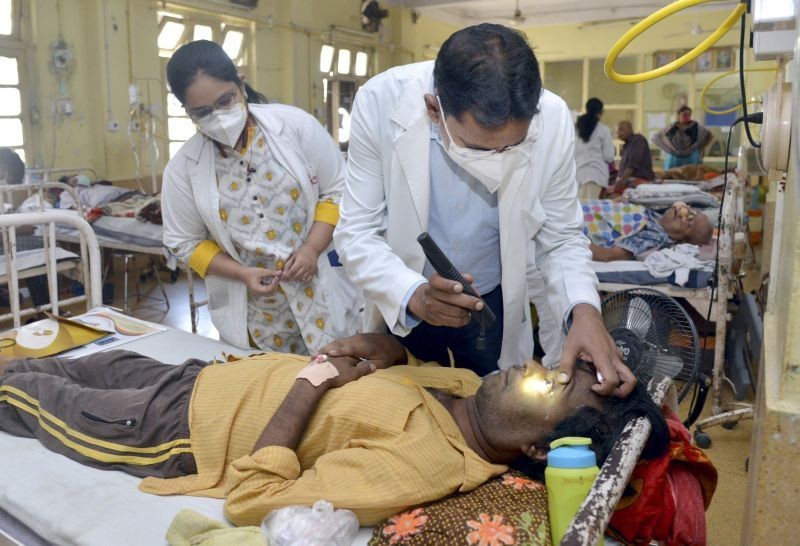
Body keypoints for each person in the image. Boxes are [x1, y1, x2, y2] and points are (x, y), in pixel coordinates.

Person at [0, 334, 668, 526]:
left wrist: (312, 381)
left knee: (24, 392)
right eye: (548, 365)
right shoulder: (469, 392)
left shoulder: (422, 467)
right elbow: (403, 373)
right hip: (206, 375)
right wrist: (390, 351)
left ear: (532, 448)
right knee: (71, 360)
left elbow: (254, 497)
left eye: (544, 384)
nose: (526, 367)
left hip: (179, 431)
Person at [334, 24, 632, 395]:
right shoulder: (380, 101)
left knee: (490, 415)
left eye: (514, 146)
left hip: (493, 307)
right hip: (406, 302)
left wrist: (584, 310)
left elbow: (560, 238)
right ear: (433, 108)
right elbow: (356, 232)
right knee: (404, 408)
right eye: (478, 148)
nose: (498, 160)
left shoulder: (551, 120)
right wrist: (412, 293)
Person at [162, 41, 359, 355]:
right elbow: (184, 242)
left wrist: (311, 248)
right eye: (201, 112)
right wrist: (241, 273)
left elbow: (337, 189)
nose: (218, 117)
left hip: (323, 291)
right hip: (258, 313)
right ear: (187, 112)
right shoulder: (183, 169)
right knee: (276, 392)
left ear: (240, 82)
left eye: (225, 100)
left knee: (343, 379)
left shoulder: (295, 127)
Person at [583, 200, 713, 262]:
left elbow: (609, 255)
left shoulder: (652, 237)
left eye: (689, 221)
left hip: (573, 227)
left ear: (681, 240)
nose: (684, 214)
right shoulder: (656, 219)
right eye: (690, 212)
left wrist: (569, 240)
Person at [575, 98, 615, 200]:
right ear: (601, 112)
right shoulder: (603, 129)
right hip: (595, 175)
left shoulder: (577, 128)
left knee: (584, 208)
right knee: (588, 211)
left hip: (579, 175)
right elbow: (609, 157)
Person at [611, 121, 655, 195]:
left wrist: (622, 180)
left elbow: (633, 163)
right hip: (628, 181)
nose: (618, 133)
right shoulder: (626, 145)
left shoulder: (638, 140)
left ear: (629, 129)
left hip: (639, 182)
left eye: (621, 130)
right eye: (617, 131)